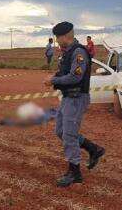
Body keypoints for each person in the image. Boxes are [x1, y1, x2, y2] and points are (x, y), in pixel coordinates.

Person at [43, 21, 105, 188]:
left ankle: (75, 173)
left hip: (77, 98)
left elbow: (75, 77)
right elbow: (65, 72)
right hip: (68, 98)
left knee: (69, 135)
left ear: (65, 36)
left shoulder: (78, 52)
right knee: (61, 131)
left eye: (57, 37)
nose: (56, 40)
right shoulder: (67, 52)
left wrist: (54, 80)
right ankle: (93, 149)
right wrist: (54, 77)